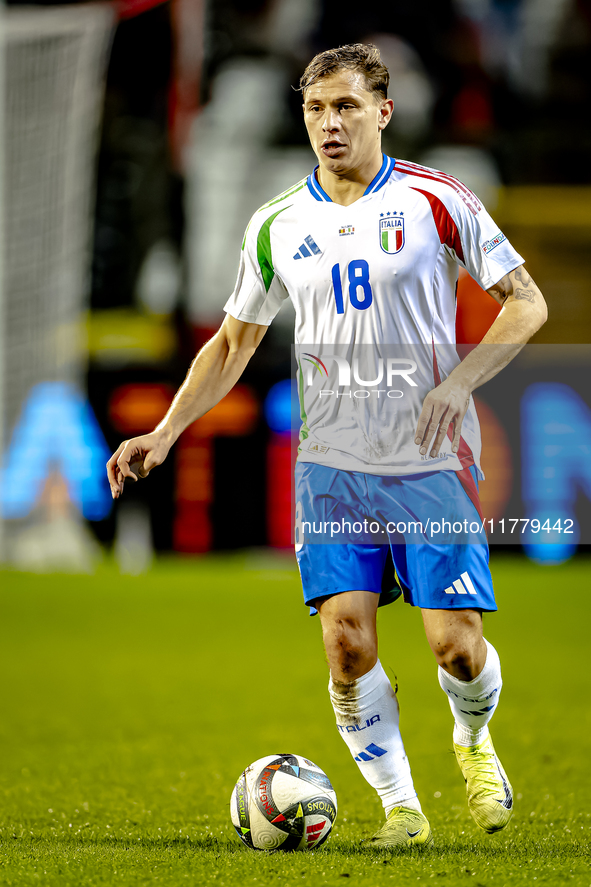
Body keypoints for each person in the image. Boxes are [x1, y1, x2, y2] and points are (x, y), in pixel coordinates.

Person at [107, 43, 547, 849]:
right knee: (346, 647)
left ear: (383, 111)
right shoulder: (277, 222)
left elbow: (526, 304)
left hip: (426, 458)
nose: (329, 123)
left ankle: (474, 740)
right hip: (331, 467)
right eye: (315, 109)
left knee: (455, 648)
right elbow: (233, 342)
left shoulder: (435, 200)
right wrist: (167, 430)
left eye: (345, 106)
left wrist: (458, 384)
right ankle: (400, 807)